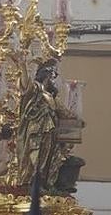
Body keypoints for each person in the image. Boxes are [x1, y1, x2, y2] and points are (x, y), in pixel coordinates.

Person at [15, 56, 73, 188]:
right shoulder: (36, 88)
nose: (54, 80)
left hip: (50, 132)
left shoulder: (52, 97)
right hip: (35, 131)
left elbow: (65, 113)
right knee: (33, 156)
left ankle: (42, 182)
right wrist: (23, 67)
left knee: (46, 158)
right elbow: (26, 86)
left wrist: (75, 117)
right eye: (52, 76)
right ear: (46, 75)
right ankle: (29, 182)